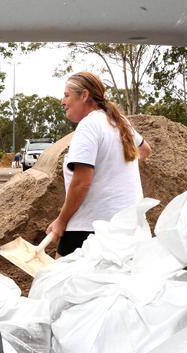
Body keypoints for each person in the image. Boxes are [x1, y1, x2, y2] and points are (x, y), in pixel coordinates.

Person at [46, 71, 152, 257]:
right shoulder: (120, 122)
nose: (63, 101)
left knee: (60, 280)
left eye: (67, 95)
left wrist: (61, 221)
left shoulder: (88, 125)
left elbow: (81, 183)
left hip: (91, 227)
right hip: (129, 228)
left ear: (84, 95)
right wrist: (115, 168)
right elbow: (145, 151)